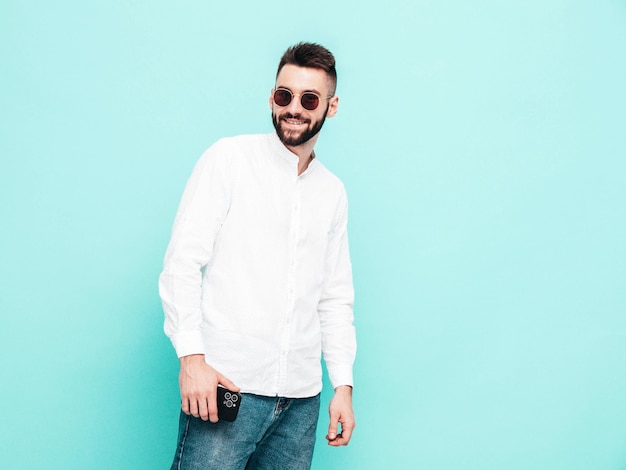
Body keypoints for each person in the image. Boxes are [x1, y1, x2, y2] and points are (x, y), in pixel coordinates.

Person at [159, 42, 356, 470]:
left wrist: (342, 384)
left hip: (301, 405)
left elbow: (334, 296)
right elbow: (181, 263)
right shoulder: (229, 159)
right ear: (272, 97)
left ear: (331, 106)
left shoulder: (333, 192)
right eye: (284, 96)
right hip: (228, 389)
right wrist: (191, 359)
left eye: (309, 99)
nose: (294, 109)